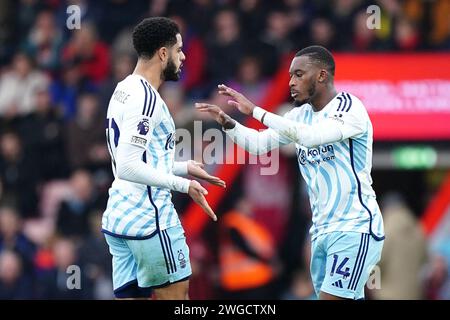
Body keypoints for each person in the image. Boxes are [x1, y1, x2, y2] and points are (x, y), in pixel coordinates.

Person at [196, 45, 384, 300]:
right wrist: (229, 124)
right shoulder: (299, 115)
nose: (291, 82)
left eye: (298, 74)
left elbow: (311, 136)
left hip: (353, 226)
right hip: (320, 231)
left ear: (321, 75)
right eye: (290, 75)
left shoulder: (350, 107)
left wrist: (257, 111)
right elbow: (258, 144)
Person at [102, 17, 225, 300]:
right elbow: (129, 166)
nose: (183, 57)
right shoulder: (146, 99)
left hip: (120, 217)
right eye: (179, 50)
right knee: (177, 298)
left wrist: (183, 168)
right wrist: (183, 185)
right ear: (163, 53)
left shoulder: (124, 88)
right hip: (149, 219)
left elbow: (137, 158)